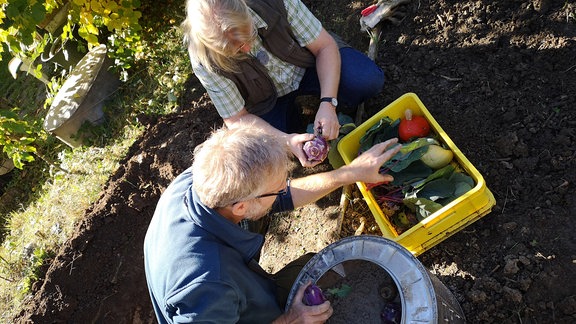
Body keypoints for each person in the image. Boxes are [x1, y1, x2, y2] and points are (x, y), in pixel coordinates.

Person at [143, 126, 400, 323]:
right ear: (241, 207)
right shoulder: (206, 285)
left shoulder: (203, 177)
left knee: (328, 269)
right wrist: (291, 320)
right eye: (276, 191)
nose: (283, 191)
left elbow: (286, 195)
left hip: (235, 289)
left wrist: (351, 173)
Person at [181, 0, 385, 167]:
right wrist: (286, 141)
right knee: (263, 154)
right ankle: (292, 127)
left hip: (308, 65)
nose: (246, 49)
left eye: (249, 36)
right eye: (234, 51)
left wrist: (328, 103)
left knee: (366, 80)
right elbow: (237, 119)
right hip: (266, 102)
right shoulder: (204, 60)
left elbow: (324, 47)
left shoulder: (275, 3)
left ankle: (324, 100)